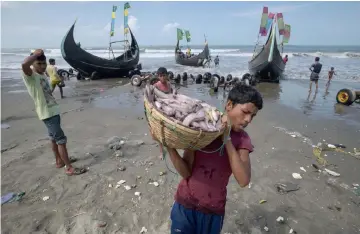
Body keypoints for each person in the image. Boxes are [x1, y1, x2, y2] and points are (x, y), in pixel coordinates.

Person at [167, 84, 263, 234]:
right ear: (229, 105)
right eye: (245, 112)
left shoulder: (242, 139)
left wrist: (227, 140)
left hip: (213, 210)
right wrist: (168, 146)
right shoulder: (202, 128)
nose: (248, 119)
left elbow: (243, 180)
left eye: (253, 116)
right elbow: (186, 173)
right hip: (185, 204)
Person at [21, 49, 86, 176]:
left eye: (43, 63)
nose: (42, 66)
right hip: (47, 113)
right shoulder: (30, 76)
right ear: (33, 64)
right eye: (38, 63)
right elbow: (24, 64)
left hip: (52, 110)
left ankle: (59, 161)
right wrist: (35, 55)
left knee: (53, 139)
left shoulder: (42, 75)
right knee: (61, 140)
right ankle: (69, 167)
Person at [152, 67, 174, 160]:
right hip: (160, 109)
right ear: (158, 76)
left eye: (164, 75)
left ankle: (171, 146)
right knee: (160, 130)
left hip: (169, 107)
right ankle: (161, 151)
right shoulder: (156, 86)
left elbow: (173, 95)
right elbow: (152, 98)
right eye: (160, 76)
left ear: (167, 75)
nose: (162, 78)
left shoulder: (169, 84)